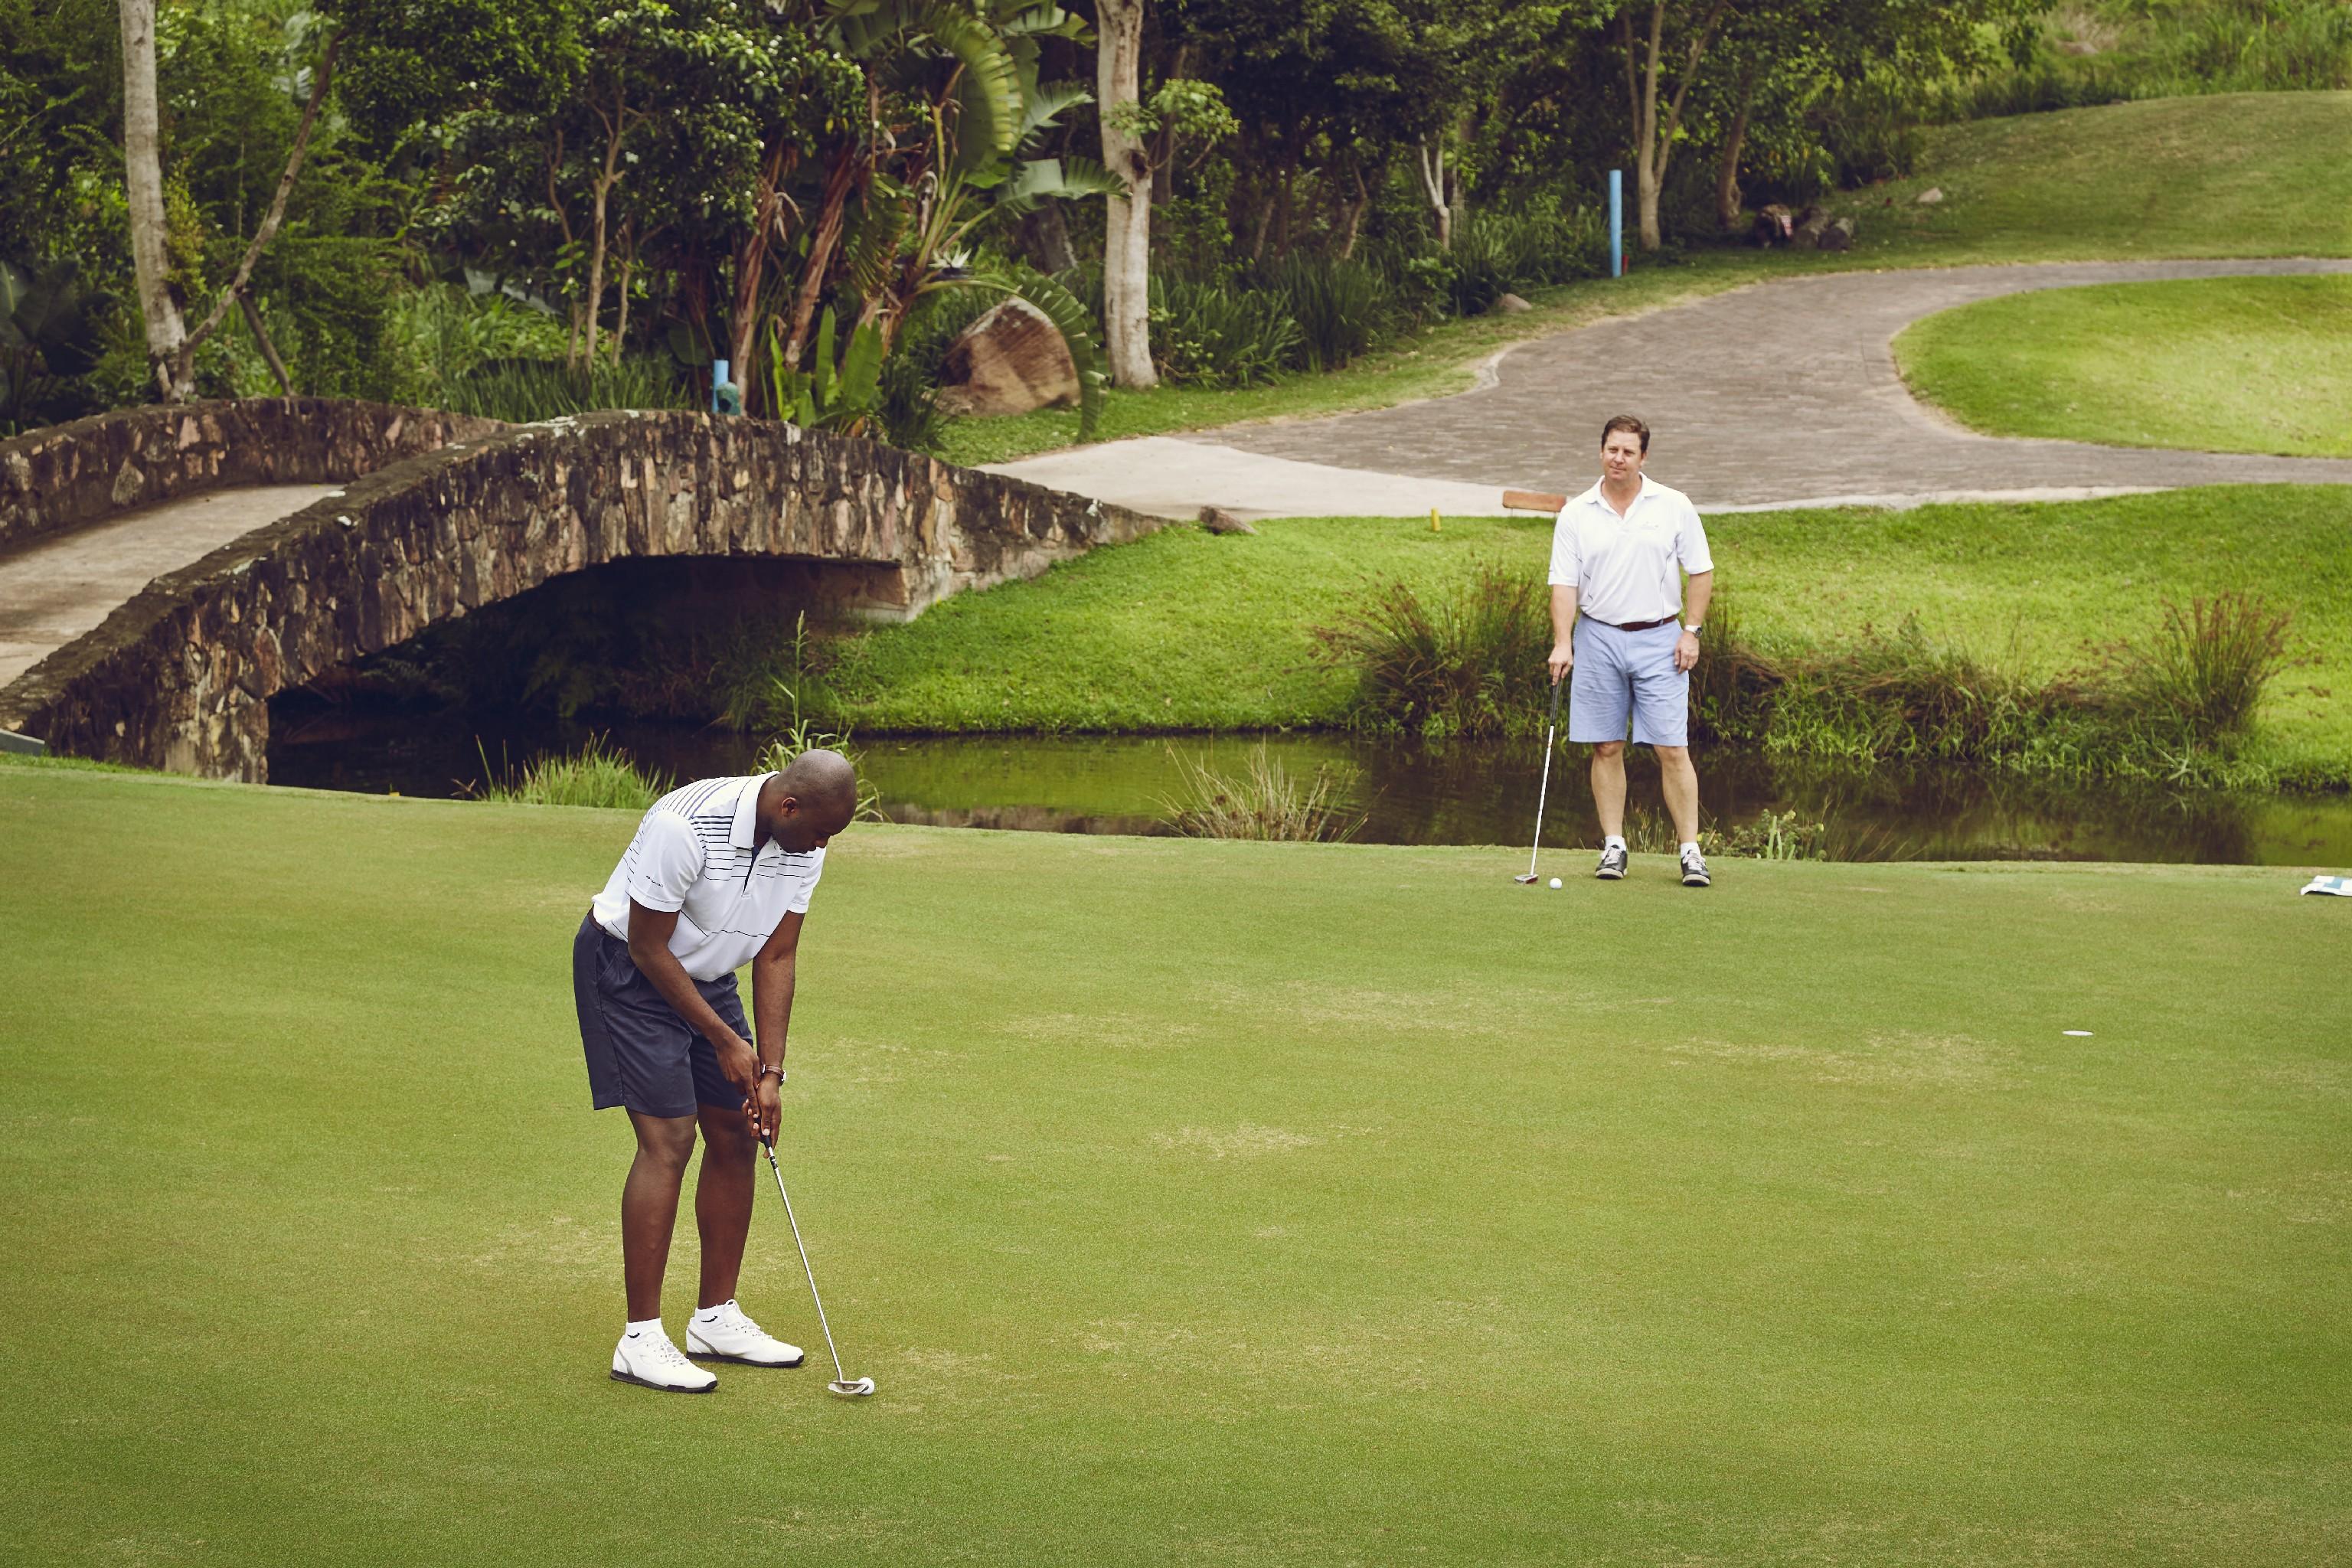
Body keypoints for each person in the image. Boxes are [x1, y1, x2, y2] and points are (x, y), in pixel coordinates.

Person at [572, 750, 861, 1392]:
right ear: (789, 806)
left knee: (737, 1130)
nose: (822, 846)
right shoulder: (686, 825)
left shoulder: (805, 844)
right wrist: (727, 1040)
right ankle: (640, 1339)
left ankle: (714, 1317)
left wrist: (771, 1071)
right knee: (670, 1139)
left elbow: (779, 954)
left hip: (704, 974)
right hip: (628, 968)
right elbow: (648, 946)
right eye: (819, 831)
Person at [1545, 415, 1716, 887]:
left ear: (1643, 458)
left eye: (1628, 452)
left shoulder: (1673, 505)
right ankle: (1614, 846)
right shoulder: (1577, 512)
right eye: (1611, 450)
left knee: (1672, 748)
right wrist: (1563, 642)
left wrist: (1692, 632)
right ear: (1601, 451)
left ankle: (1690, 851)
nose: (1618, 458)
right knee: (1606, 745)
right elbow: (1564, 583)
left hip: (1661, 637)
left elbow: (1700, 572)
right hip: (1597, 635)